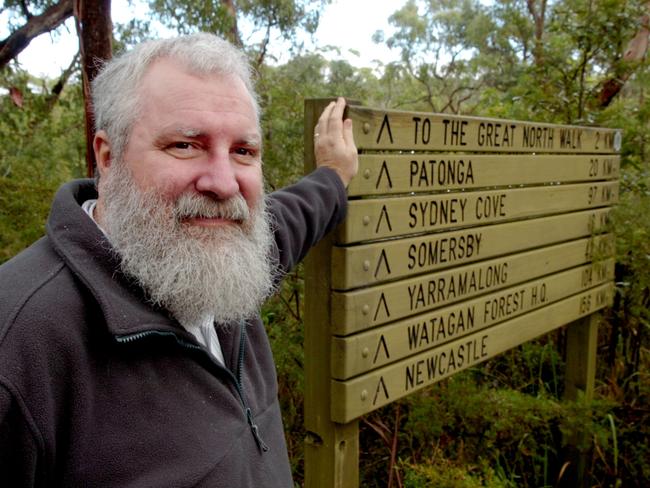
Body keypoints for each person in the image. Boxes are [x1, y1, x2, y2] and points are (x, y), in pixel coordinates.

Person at [0, 33, 357, 487]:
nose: (224, 184)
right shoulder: (18, 344)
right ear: (107, 157)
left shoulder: (223, 256)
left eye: (243, 151)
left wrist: (334, 175)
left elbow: (293, 218)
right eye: (185, 145)